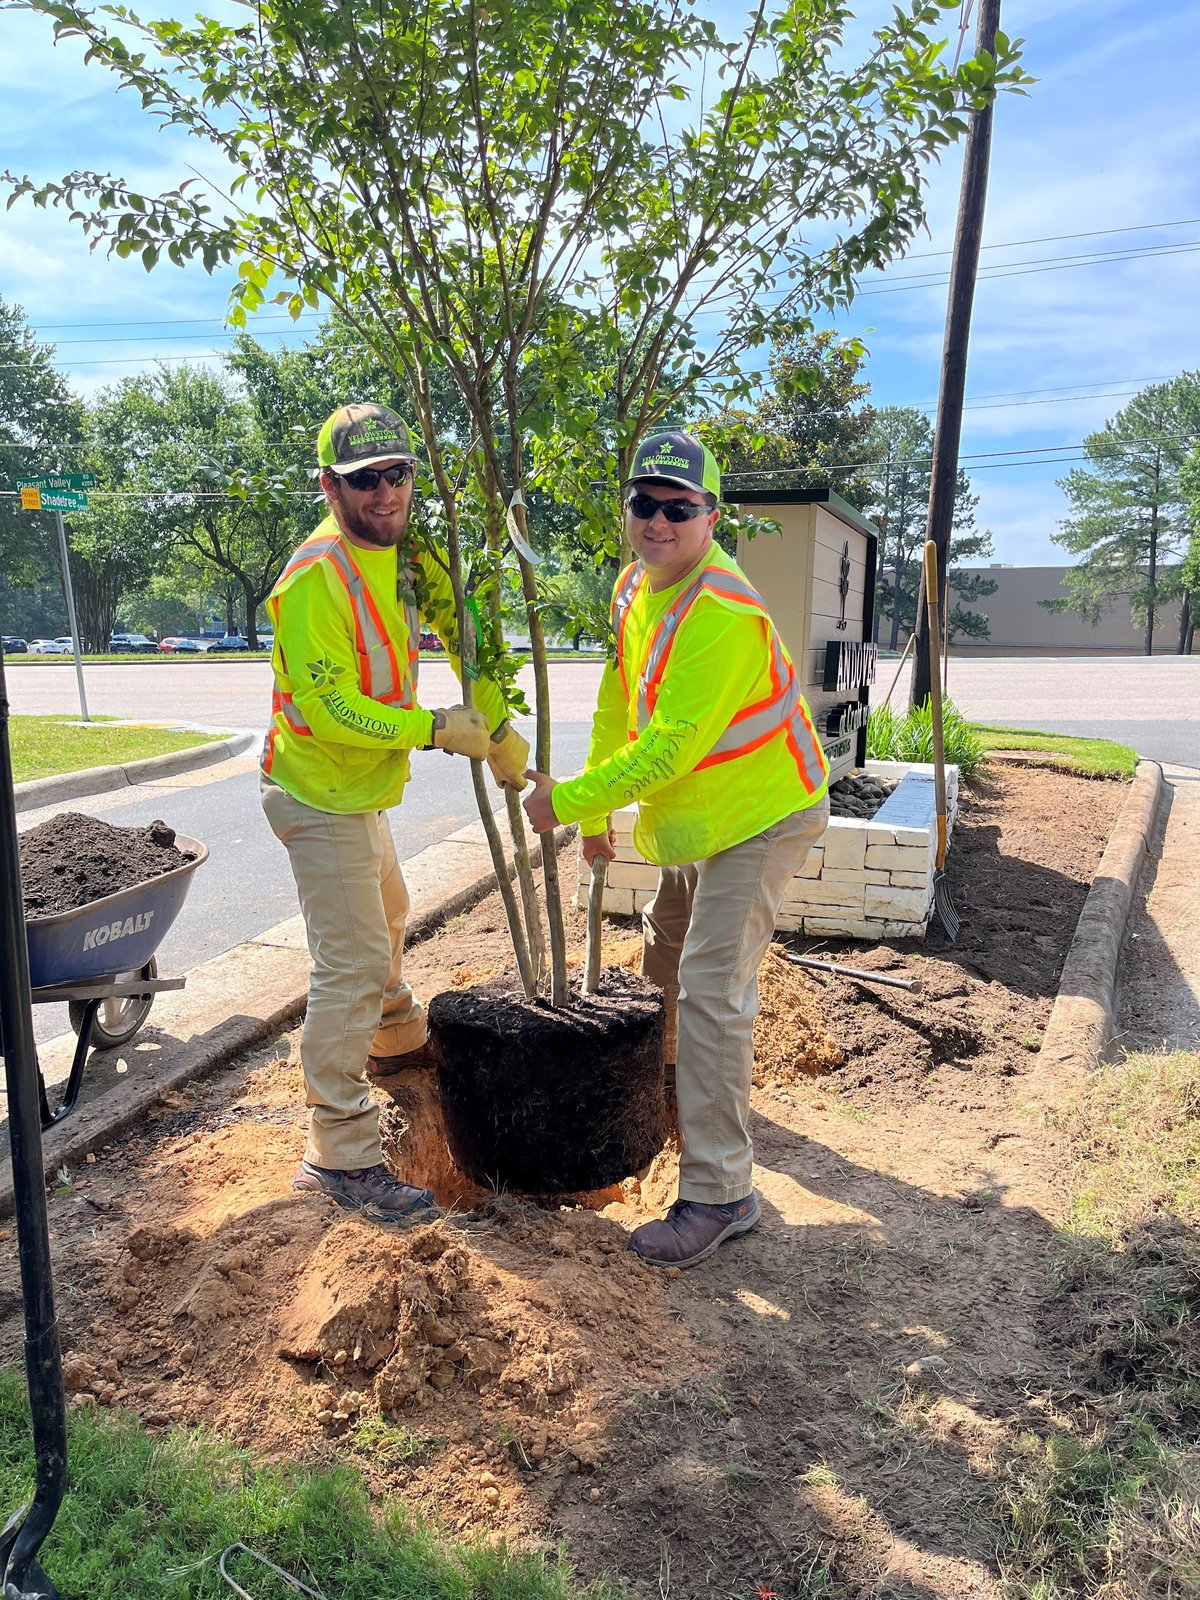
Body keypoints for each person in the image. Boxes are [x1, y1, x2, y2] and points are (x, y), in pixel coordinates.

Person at [523, 431, 829, 1268]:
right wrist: (592, 814)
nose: (657, 521)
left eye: (678, 508)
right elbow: (618, 706)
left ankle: (722, 1190)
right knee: (663, 956)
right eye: (644, 504)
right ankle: (669, 1094)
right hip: (703, 818)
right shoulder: (634, 588)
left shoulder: (723, 613)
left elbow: (668, 751)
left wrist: (568, 800)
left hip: (762, 815)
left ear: (710, 515)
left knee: (711, 988)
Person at [261, 402, 529, 1223]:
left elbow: (470, 638)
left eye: (397, 475)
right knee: (346, 963)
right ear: (329, 487)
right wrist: (436, 730)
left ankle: (397, 1044)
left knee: (388, 918)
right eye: (363, 481)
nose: (385, 494)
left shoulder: (415, 561)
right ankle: (338, 1155)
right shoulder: (316, 577)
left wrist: (503, 724)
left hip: (362, 792)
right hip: (316, 793)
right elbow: (330, 703)